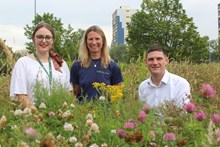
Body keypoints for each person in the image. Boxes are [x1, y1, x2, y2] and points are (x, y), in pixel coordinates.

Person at [10, 22, 72, 107]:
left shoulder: (61, 63)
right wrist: (38, 116)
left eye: (48, 37)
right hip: (32, 117)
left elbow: (68, 92)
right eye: (39, 37)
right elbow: (21, 97)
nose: (44, 40)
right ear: (33, 39)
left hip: (58, 117)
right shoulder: (23, 63)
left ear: (53, 40)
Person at [70, 25, 123, 102]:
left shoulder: (113, 66)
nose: (94, 42)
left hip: (106, 112)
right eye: (90, 39)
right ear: (86, 42)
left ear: (103, 41)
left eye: (97, 39)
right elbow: (75, 92)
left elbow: (117, 94)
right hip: (83, 111)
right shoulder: (77, 66)